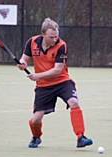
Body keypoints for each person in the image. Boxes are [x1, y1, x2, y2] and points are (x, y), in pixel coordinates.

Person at [17, 18, 93, 148]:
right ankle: (36, 137)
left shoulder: (61, 46)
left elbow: (57, 70)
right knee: (36, 119)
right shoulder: (32, 42)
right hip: (43, 86)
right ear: (43, 35)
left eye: (56, 36)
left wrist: (37, 75)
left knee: (74, 102)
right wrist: (23, 63)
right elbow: (25, 58)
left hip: (62, 81)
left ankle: (81, 137)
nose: (54, 40)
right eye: (51, 37)